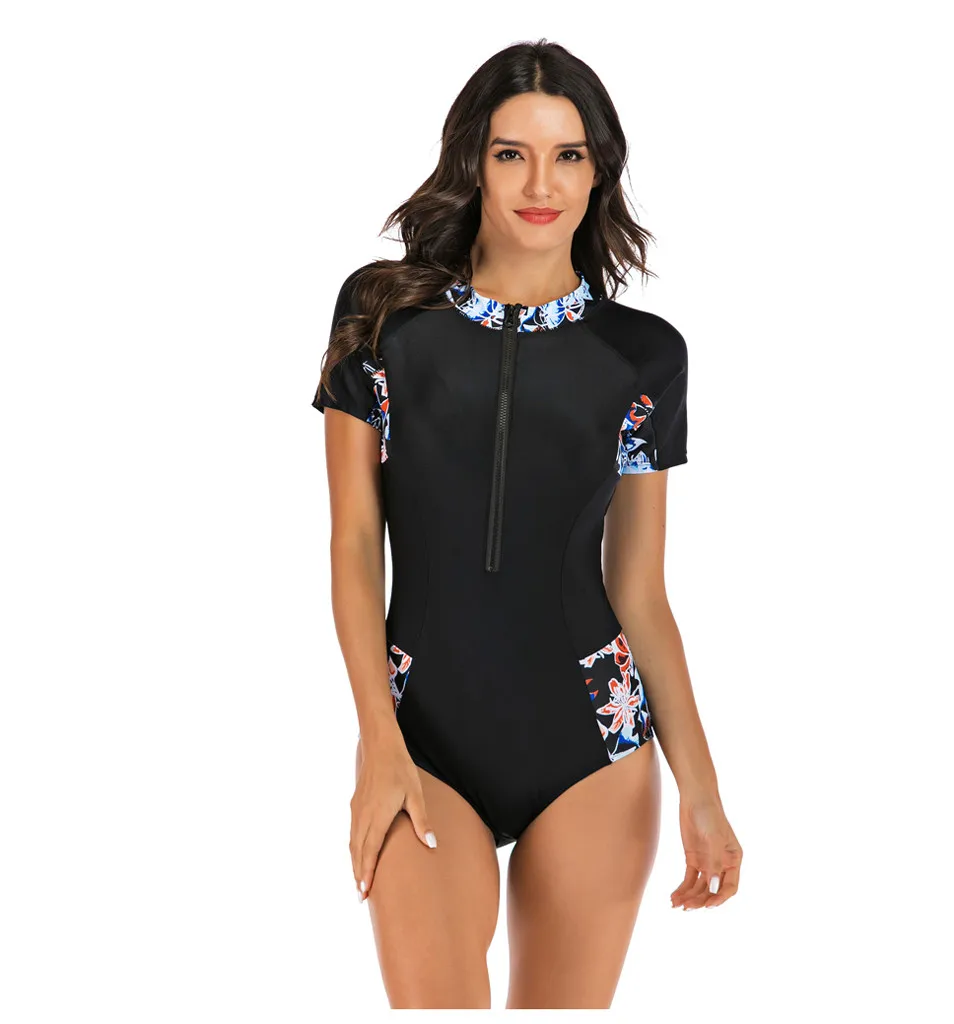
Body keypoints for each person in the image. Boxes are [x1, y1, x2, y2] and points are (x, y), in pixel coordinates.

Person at [311, 38, 742, 1010]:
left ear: (599, 171)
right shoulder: (379, 319)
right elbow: (352, 546)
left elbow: (640, 590)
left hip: (593, 744)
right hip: (420, 736)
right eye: (511, 153)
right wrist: (377, 743)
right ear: (474, 161)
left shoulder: (643, 357)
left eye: (568, 155)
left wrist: (703, 792)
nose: (540, 184)